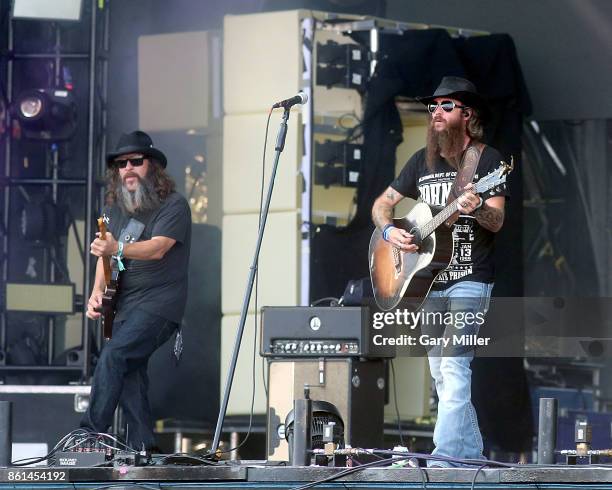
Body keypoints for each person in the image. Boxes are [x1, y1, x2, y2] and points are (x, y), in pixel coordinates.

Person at [371, 77, 508, 466]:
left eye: (445, 106)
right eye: (433, 107)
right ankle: (473, 458)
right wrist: (389, 230)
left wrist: (476, 208)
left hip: (470, 278)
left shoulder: (488, 160)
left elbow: (497, 220)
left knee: (453, 364)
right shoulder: (421, 161)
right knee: (442, 374)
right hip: (429, 283)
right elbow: (383, 204)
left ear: (468, 114)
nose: (436, 113)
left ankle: (445, 458)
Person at [83, 130, 191, 451]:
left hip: (160, 306)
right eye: (121, 164)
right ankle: (144, 448)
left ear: (153, 166)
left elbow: (158, 248)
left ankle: (89, 435)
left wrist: (118, 248)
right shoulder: (113, 209)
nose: (127, 168)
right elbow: (104, 252)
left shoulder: (174, 205)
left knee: (115, 355)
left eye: (135, 161)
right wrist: (96, 292)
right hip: (124, 307)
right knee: (129, 373)